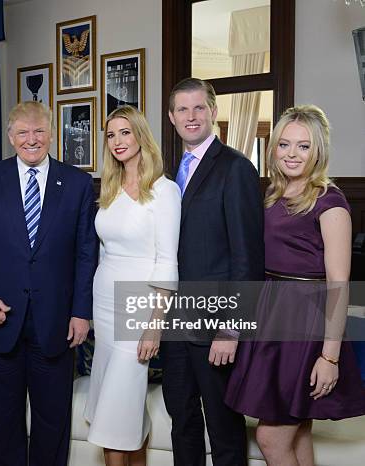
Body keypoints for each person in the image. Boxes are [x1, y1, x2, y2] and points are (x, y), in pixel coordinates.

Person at [0, 101, 98, 466]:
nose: (31, 139)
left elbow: (86, 253)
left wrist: (82, 312)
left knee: (52, 421)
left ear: (52, 134)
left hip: (56, 324)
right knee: (3, 422)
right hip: (0, 321)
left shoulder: (79, 183)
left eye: (38, 131)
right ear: (10, 136)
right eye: (22, 132)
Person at [225, 105, 365, 465]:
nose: (291, 154)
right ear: (273, 149)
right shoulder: (274, 194)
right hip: (273, 316)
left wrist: (329, 356)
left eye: (303, 146)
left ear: (318, 150)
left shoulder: (330, 202)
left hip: (306, 325)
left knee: (271, 438)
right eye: (284, 144)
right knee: (297, 431)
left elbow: (339, 284)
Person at [162, 78, 265, 466]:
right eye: (183, 109)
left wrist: (231, 328)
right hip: (175, 325)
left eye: (199, 108)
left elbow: (247, 257)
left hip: (215, 327)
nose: (191, 116)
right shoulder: (171, 175)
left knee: (223, 429)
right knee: (182, 422)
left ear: (213, 112)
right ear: (172, 117)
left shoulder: (236, 168)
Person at [84, 106, 180, 466]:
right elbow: (105, 251)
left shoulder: (164, 191)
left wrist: (155, 324)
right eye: (111, 135)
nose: (118, 141)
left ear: (141, 135)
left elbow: (167, 260)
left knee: (113, 419)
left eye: (125, 132)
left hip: (139, 308)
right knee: (126, 415)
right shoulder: (109, 189)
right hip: (104, 306)